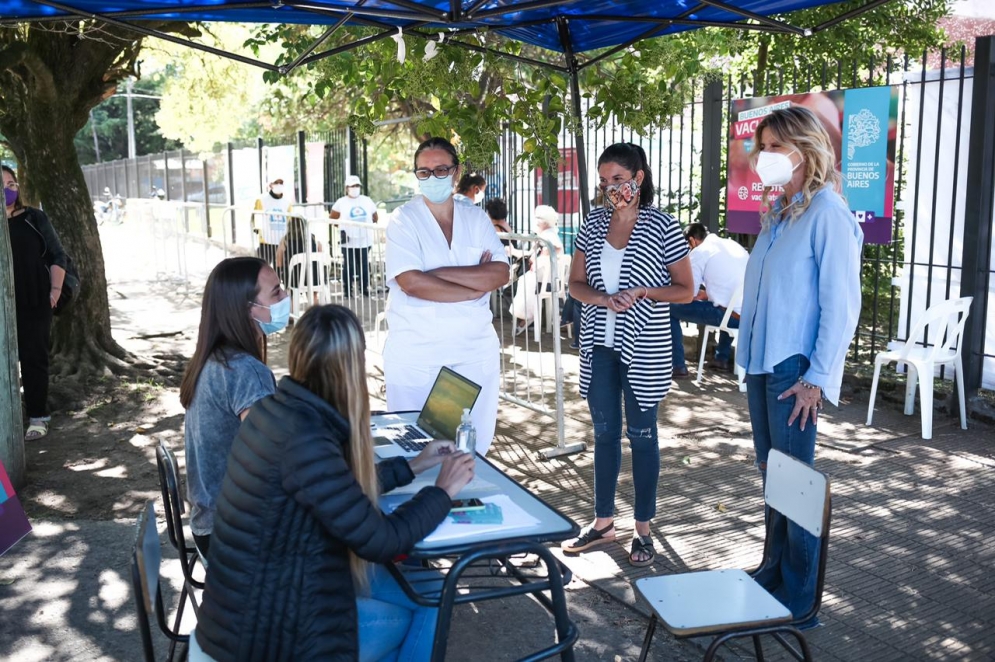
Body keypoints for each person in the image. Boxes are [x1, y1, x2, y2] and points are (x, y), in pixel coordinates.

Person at [189, 305, 476, 662]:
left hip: (247, 615)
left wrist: (415, 465)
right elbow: (382, 540)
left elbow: (337, 490)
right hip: (266, 640)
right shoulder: (305, 440)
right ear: (351, 368)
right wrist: (442, 491)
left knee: (429, 588)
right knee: (426, 605)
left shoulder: (278, 412)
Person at [738, 106, 862, 625]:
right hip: (763, 360)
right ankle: (773, 569)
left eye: (774, 146)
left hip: (794, 368)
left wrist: (816, 379)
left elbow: (842, 304)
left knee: (795, 484)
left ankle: (801, 598)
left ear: (803, 149)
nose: (762, 156)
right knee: (774, 475)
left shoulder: (827, 212)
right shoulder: (784, 211)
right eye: (761, 146)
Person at [560, 143, 694, 567]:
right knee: (604, 434)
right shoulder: (592, 223)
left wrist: (643, 292)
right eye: (604, 181)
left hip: (644, 348)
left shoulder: (663, 225)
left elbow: (685, 290)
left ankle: (643, 530)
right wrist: (603, 299)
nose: (610, 188)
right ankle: (603, 523)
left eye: (618, 179)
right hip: (599, 345)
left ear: (638, 178)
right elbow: (575, 285)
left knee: (642, 436)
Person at [384, 137, 509, 456]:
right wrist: (474, 286)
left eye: (441, 169)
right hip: (418, 353)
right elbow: (411, 282)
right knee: (415, 452)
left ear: (456, 171)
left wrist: (437, 273)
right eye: (424, 172)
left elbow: (499, 273)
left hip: (473, 352)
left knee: (471, 450)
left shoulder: (476, 219)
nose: (432, 177)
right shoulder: (403, 219)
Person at [179, 257, 289, 555]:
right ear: (247, 308)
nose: (285, 296)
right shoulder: (245, 370)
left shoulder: (214, 358)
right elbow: (273, 462)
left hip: (211, 525)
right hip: (236, 535)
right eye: (276, 292)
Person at [3, 165, 67, 441]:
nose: (8, 190)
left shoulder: (33, 218)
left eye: (11, 184)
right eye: (2, 185)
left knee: (33, 358)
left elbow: (57, 255)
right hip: (2, 305)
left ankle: (38, 417)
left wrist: (54, 291)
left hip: (34, 299)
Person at [669, 222, 749, 378]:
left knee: (670, 309)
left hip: (728, 316)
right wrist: (706, 294)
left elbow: (688, 294)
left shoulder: (699, 252)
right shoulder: (731, 245)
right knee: (727, 306)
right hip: (748, 316)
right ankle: (721, 358)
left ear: (692, 240)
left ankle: (678, 365)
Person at [510, 205, 564, 335]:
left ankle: (527, 316)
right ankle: (527, 316)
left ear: (545, 221)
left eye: (538, 218)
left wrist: (538, 259)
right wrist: (514, 251)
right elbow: (530, 254)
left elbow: (553, 251)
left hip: (546, 280)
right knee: (523, 279)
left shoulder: (547, 236)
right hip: (548, 278)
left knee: (523, 280)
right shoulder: (546, 235)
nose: (535, 220)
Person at [330, 174, 378, 298]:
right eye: (352, 186)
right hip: (348, 240)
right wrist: (343, 228)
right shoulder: (341, 202)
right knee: (349, 266)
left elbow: (375, 216)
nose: (355, 188)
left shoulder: (367, 200)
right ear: (347, 188)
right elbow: (332, 218)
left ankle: (364, 289)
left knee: (363, 265)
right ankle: (347, 291)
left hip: (364, 239)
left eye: (357, 185)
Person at [276, 216, 324, 305]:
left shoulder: (285, 240)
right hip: (312, 275)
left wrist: (279, 275)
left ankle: (292, 309)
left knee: (291, 293)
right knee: (313, 293)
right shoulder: (313, 238)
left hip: (293, 277)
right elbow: (321, 255)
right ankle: (315, 308)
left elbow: (279, 260)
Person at [253, 177, 294, 267]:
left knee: (280, 269)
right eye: (276, 183)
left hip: (281, 242)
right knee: (263, 268)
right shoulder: (261, 200)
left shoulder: (287, 202)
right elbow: (257, 220)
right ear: (271, 185)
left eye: (281, 183)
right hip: (266, 241)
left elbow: (289, 221)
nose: (279, 185)